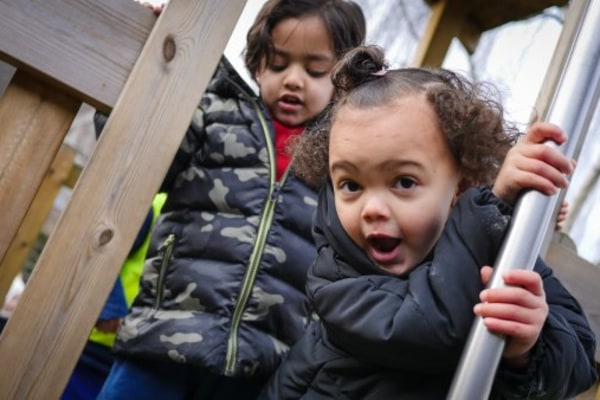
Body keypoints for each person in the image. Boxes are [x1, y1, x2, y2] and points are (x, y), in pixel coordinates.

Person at [260, 45, 598, 399]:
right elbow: (430, 324)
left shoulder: (491, 244)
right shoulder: (337, 277)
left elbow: (580, 359)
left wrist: (529, 346)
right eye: (351, 185)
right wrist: (492, 205)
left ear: (461, 186)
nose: (371, 208)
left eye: (404, 182)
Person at [97, 1, 366, 399]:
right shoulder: (215, 114)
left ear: (343, 80)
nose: (293, 80)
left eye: (314, 70)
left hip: (261, 365)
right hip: (164, 339)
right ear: (257, 64)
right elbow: (135, 147)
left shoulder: (340, 160)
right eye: (278, 64)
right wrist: (157, 59)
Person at [60, 193, 166, 400]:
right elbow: (99, 251)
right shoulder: (154, 204)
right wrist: (108, 307)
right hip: (96, 344)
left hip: (143, 355)